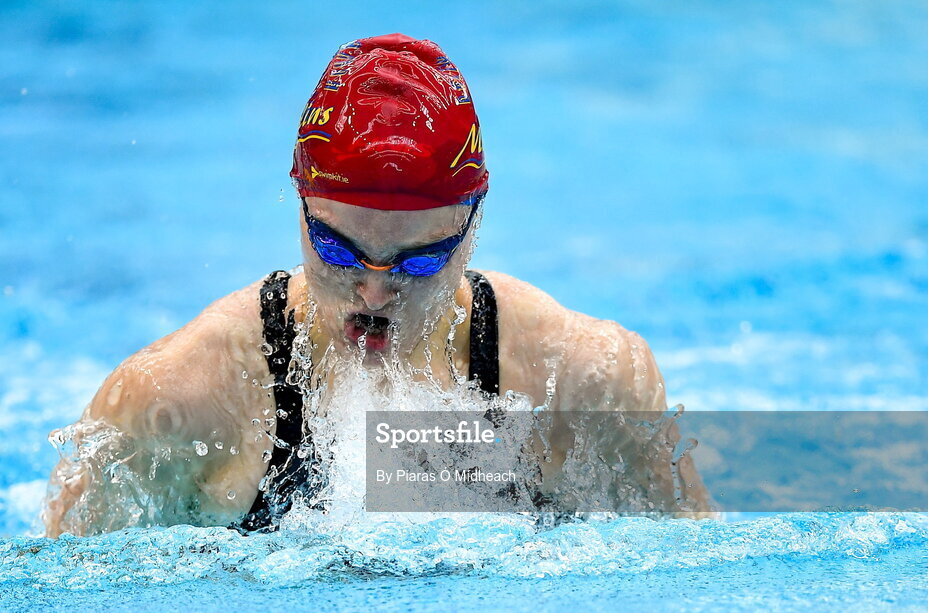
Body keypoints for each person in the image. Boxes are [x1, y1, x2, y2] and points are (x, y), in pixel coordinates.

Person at [43, 33, 711, 537]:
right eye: (337, 249)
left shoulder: (583, 383)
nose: (372, 292)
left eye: (418, 263)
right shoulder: (178, 406)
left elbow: (694, 592)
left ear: (472, 227)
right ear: (301, 208)